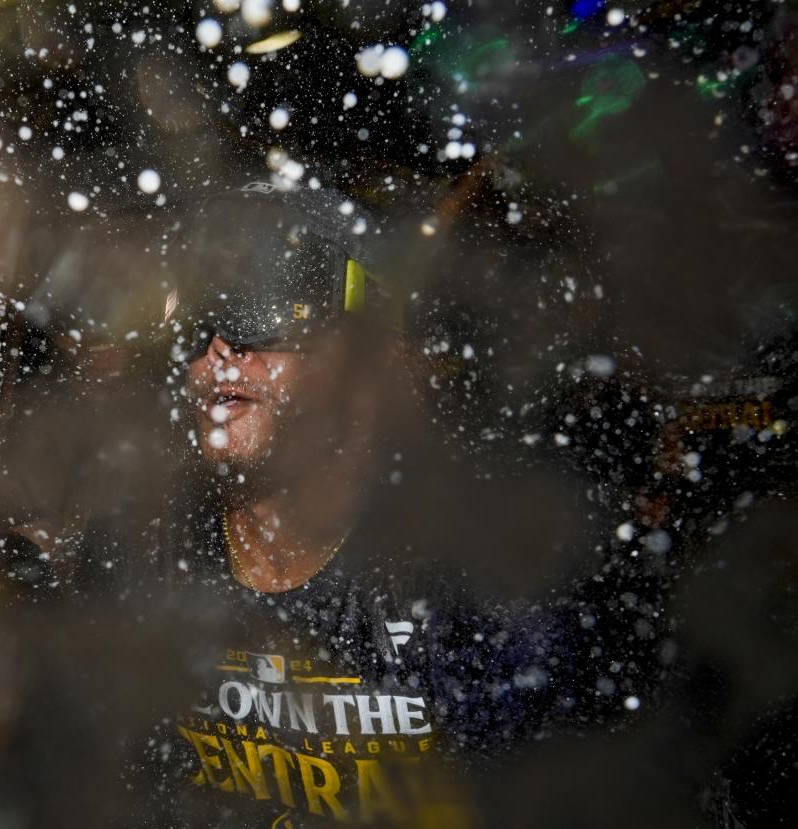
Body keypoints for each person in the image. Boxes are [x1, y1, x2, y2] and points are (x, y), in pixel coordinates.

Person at [107, 181, 680, 828]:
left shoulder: (493, 597)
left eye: (266, 297)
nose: (219, 348)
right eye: (195, 312)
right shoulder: (140, 565)